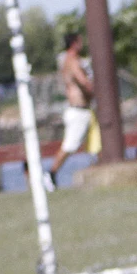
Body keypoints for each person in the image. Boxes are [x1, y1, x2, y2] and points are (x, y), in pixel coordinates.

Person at [47, 32, 96, 190]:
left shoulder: (71, 60)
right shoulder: (72, 61)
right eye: (80, 42)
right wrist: (96, 91)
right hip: (77, 111)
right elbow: (83, 81)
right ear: (74, 43)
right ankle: (50, 174)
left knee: (96, 139)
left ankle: (98, 165)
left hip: (83, 110)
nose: (82, 44)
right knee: (70, 145)